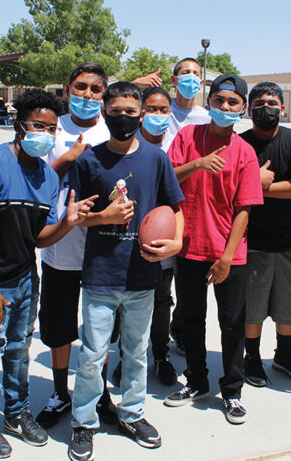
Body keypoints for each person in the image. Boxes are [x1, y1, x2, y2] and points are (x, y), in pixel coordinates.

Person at [0, 89, 96, 459]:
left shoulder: (47, 177)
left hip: (24, 278)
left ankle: (16, 413)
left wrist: (67, 222)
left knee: (18, 350)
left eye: (51, 129)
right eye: (38, 126)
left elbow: (39, 237)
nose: (45, 134)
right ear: (19, 125)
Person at [67, 81, 184, 461]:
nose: (123, 118)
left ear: (142, 115)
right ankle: (84, 423)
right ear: (104, 113)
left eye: (130, 112)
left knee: (135, 353)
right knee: (92, 355)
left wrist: (177, 242)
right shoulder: (89, 161)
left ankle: (132, 414)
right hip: (101, 274)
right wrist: (104, 216)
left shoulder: (156, 159)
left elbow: (175, 208)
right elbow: (75, 217)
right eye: (115, 112)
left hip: (142, 274)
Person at [164, 74, 263, 425]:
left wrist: (226, 258)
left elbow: (245, 209)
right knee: (191, 319)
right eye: (219, 100)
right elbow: (167, 179)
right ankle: (196, 381)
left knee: (232, 323)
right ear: (209, 102)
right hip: (189, 247)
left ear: (243, 109)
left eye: (233, 102)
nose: (224, 107)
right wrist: (198, 163)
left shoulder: (245, 151)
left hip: (228, 254)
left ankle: (232, 390)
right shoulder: (188, 136)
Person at [36, 63, 116, 430]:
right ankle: (59, 393)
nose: (87, 95)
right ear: (68, 89)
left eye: (95, 89)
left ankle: (99, 392)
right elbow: (35, 181)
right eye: (81, 87)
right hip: (60, 244)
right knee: (59, 324)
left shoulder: (112, 130)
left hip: (103, 244)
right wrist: (67, 159)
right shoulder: (51, 129)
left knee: (100, 326)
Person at [238, 82, 291, 387]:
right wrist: (254, 183)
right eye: (258, 104)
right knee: (252, 309)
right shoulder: (239, 143)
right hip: (251, 242)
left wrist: (257, 185)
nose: (265, 109)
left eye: (271, 103)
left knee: (289, 306)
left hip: (289, 241)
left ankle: (284, 354)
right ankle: (252, 358)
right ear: (248, 109)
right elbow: (231, 188)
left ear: (283, 108)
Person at [111, 86, 178, 387]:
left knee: (162, 299)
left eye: (164, 110)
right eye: (151, 109)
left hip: (161, 236)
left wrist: (176, 239)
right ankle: (126, 357)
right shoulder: (125, 146)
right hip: (127, 240)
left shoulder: (175, 144)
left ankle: (161, 355)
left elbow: (177, 199)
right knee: (126, 303)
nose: (158, 115)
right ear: (140, 113)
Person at [167, 57, 212, 354]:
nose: (191, 78)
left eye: (196, 73)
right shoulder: (161, 111)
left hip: (192, 204)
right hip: (160, 201)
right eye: (185, 73)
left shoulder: (206, 118)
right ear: (174, 80)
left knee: (189, 278)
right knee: (160, 279)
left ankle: (180, 326)